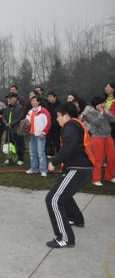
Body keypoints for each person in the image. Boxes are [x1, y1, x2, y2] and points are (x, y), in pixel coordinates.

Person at [45, 102, 95, 248]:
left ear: (66, 115)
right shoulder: (75, 125)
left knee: (53, 199)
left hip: (78, 168)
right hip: (81, 168)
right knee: (63, 194)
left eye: (58, 116)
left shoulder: (70, 126)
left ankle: (65, 238)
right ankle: (76, 219)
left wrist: (54, 161)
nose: (57, 119)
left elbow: (70, 145)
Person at [82, 96, 115, 186]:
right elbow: (96, 123)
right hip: (97, 138)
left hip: (108, 137)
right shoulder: (90, 113)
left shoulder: (106, 111)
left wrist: (106, 113)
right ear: (96, 105)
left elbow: (113, 119)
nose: (103, 105)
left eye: (104, 103)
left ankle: (110, 176)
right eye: (101, 103)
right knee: (98, 159)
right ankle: (96, 179)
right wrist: (101, 113)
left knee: (112, 157)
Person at [25, 96, 51, 177]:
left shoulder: (43, 111)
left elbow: (49, 122)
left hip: (40, 135)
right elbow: (26, 122)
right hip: (31, 134)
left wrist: (44, 132)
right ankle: (34, 168)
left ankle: (43, 170)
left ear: (38, 102)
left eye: (34, 100)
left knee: (41, 153)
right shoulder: (29, 112)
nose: (32, 102)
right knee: (33, 152)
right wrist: (25, 126)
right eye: (31, 101)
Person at [2, 93, 25, 165]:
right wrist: (6, 123)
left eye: (10, 98)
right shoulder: (7, 108)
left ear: (15, 98)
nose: (9, 100)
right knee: (9, 145)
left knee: (18, 145)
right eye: (8, 98)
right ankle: (9, 158)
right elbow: (3, 117)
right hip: (8, 129)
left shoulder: (20, 107)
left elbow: (20, 118)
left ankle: (21, 159)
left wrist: (11, 124)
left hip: (16, 130)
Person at [45, 92, 61, 158]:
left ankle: (58, 154)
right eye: (48, 97)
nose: (49, 98)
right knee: (49, 139)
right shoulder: (46, 105)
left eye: (51, 97)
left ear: (55, 97)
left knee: (57, 140)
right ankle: (50, 153)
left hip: (57, 126)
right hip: (49, 125)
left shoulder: (59, 105)